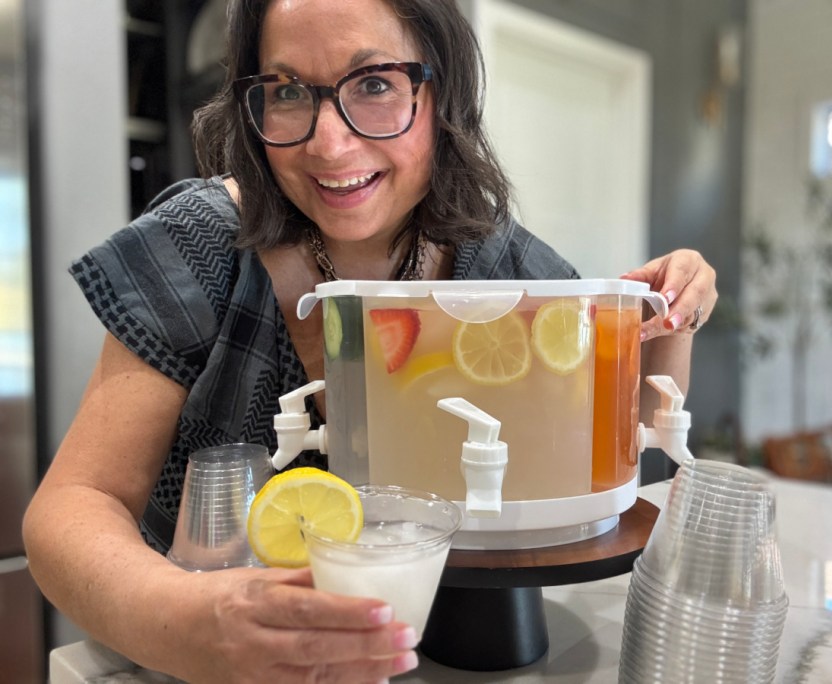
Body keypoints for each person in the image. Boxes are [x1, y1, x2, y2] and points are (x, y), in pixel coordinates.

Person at [22, 0, 718, 682]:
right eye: (287, 91)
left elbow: (623, 453)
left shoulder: (495, 258)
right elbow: (71, 507)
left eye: (376, 84)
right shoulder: (200, 246)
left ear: (442, 93)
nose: (329, 144)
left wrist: (674, 315)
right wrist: (194, 621)